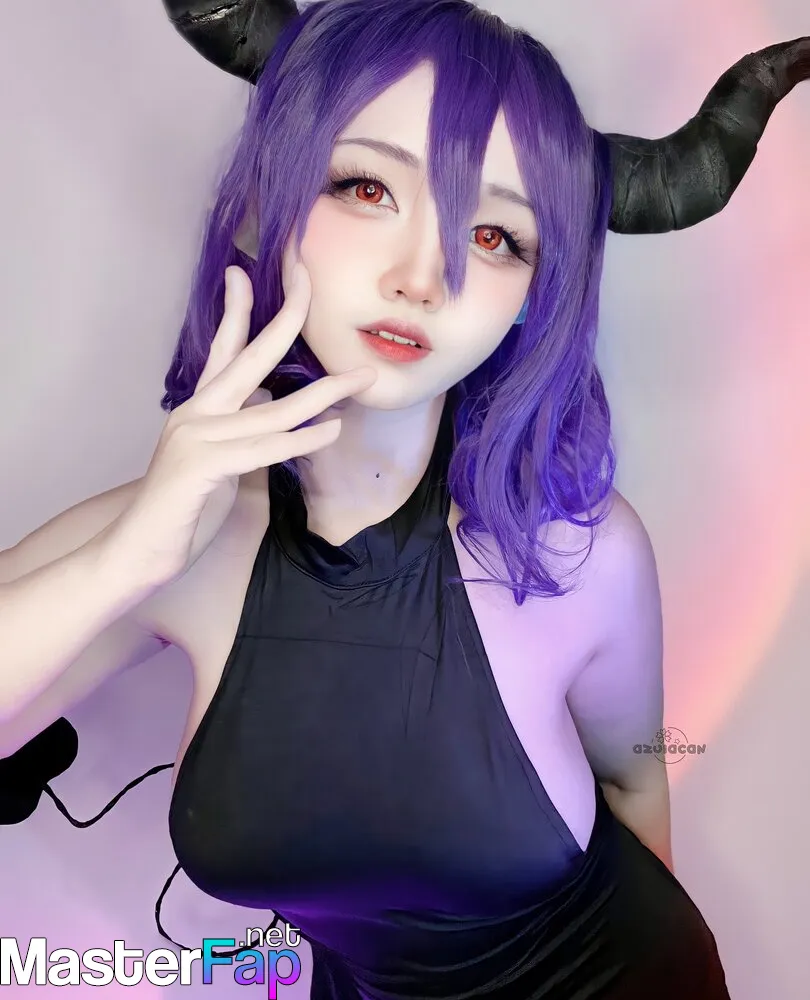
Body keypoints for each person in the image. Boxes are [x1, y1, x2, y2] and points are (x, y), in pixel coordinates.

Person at [1, 0, 808, 996]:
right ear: (268, 199)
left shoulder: (579, 551)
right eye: (366, 186)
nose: (425, 276)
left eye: (497, 235)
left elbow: (637, 773)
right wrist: (123, 562)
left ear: (533, 293)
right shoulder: (175, 544)